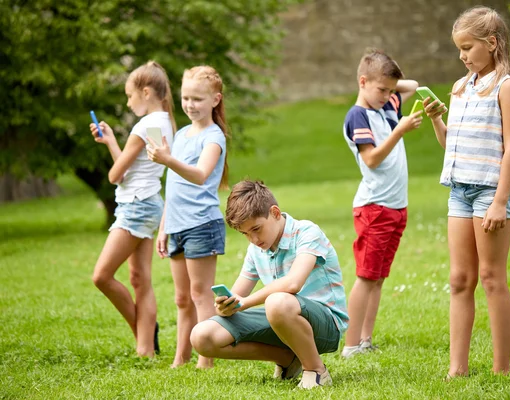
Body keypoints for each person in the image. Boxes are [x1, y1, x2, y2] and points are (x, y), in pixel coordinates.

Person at [423, 6, 510, 377]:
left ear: (492, 44)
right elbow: (452, 144)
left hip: (491, 193)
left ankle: (501, 370)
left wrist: (500, 201)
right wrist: (437, 118)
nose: (462, 55)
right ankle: (457, 369)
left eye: (467, 47)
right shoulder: (460, 87)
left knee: (492, 278)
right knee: (459, 279)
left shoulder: (506, 87)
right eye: (459, 49)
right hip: (459, 190)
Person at [188, 180, 349, 389]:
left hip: (326, 325)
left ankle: (316, 372)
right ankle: (288, 360)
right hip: (281, 319)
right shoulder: (256, 249)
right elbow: (238, 294)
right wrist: (226, 306)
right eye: (245, 233)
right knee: (202, 336)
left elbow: (293, 283)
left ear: (274, 212)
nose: (253, 239)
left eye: (256, 229)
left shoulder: (307, 232)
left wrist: (243, 303)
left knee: (277, 302)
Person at [89, 61, 176, 357]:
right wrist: (112, 141)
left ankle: (144, 335)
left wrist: (115, 158)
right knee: (140, 279)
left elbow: (115, 176)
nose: (128, 102)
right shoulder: (164, 121)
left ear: (146, 92)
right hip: (148, 202)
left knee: (101, 276)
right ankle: (145, 348)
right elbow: (128, 171)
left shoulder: (144, 126)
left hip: (136, 206)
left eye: (130, 95)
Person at [340, 48, 423, 358]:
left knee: (379, 277)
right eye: (381, 89)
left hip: (396, 206)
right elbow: (372, 159)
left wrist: (387, 84)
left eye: (390, 90)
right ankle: (350, 344)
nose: (388, 95)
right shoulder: (358, 115)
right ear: (362, 82)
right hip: (374, 206)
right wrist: (399, 130)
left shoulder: (385, 105)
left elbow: (410, 85)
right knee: (366, 276)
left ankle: (365, 340)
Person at [146, 65, 229, 369]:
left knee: (200, 294)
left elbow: (199, 175)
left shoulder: (214, 137)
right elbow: (174, 187)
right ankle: (180, 358)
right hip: (177, 225)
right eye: (185, 98)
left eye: (198, 99)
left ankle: (206, 359)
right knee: (182, 298)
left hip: (202, 225)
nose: (190, 105)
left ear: (215, 99)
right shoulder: (180, 135)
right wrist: (164, 228)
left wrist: (168, 159)